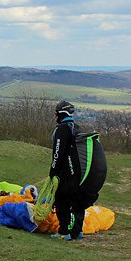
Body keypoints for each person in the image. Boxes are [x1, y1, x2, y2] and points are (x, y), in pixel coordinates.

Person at [50, 100, 85, 241]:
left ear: (60, 114)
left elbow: (58, 152)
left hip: (66, 173)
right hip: (78, 172)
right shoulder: (77, 128)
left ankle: (64, 230)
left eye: (56, 113)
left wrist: (53, 171)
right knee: (77, 202)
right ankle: (78, 230)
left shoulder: (62, 129)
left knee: (61, 200)